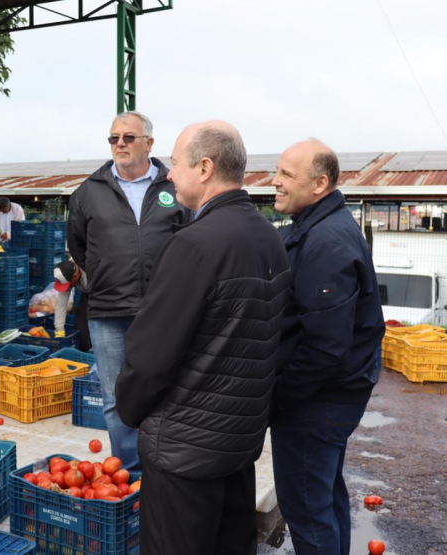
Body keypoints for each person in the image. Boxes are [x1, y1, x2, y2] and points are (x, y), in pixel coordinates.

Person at [115, 121, 291, 555]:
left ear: (205, 167)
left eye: (175, 163)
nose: (169, 174)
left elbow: (150, 356)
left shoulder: (193, 245)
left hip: (185, 453)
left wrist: (131, 411)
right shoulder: (269, 238)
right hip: (237, 443)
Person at [269, 139, 385, 555]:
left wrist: (279, 398)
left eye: (286, 175)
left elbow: (324, 347)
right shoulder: (316, 227)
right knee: (322, 495)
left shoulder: (326, 243)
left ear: (319, 183)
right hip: (328, 398)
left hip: (316, 402)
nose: (275, 182)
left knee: (306, 509)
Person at [68, 111, 189, 471]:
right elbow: (78, 247)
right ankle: (131, 471)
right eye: (114, 138)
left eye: (128, 137)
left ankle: (167, 468)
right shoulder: (88, 192)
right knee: (114, 397)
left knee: (168, 391)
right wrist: (105, 274)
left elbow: (191, 241)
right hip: (108, 310)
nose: (120, 143)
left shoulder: (173, 187)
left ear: (149, 143)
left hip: (163, 311)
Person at [52, 259, 91, 351]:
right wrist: (59, 330)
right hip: (86, 292)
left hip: (103, 292)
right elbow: (61, 304)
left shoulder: (89, 274)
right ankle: (83, 350)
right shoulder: (67, 272)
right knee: (80, 319)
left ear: (75, 275)